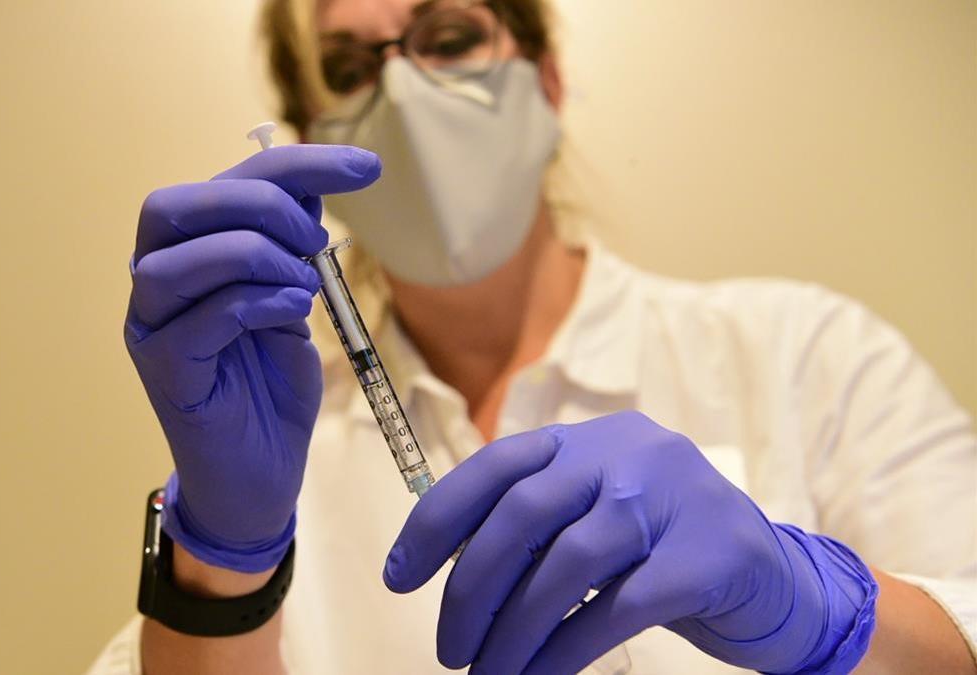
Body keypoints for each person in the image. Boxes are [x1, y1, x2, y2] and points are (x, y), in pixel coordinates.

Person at [90, 0, 977, 673]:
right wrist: (219, 564)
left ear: (547, 80)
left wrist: (823, 608)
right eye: (352, 64)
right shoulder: (279, 454)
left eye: (448, 38)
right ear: (309, 137)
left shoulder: (807, 355)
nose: (403, 91)